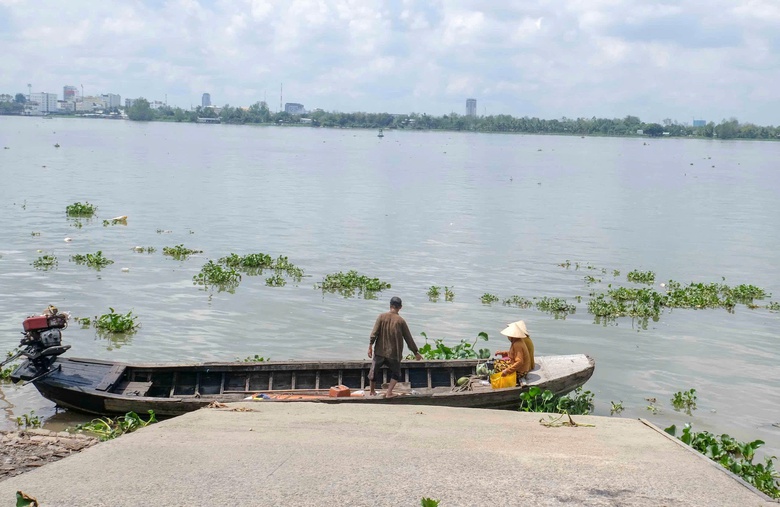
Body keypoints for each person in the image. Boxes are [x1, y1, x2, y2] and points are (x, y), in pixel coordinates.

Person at [367, 296, 422, 398]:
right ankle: (389, 393)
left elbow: (374, 333)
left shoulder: (381, 317)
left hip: (379, 351)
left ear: (390, 305)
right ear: (400, 307)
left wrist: (370, 346)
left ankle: (372, 392)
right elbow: (408, 338)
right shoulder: (401, 321)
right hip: (394, 353)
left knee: (373, 371)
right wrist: (415, 352)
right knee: (396, 373)